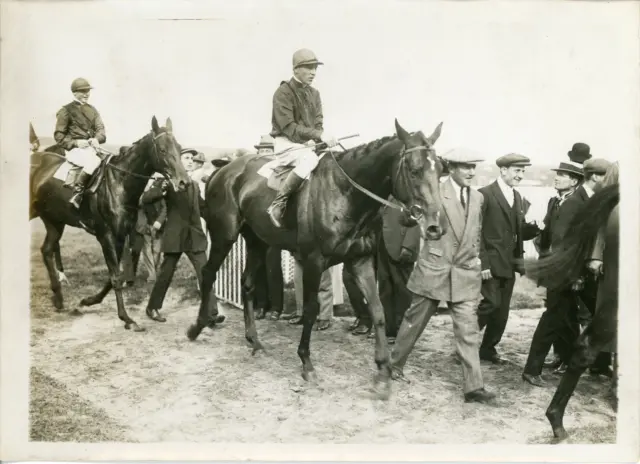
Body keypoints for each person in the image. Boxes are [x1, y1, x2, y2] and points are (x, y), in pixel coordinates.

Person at [390, 148, 496, 404]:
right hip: (435, 269)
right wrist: (415, 217)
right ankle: (393, 365)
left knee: (468, 330)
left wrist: (476, 259)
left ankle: (474, 387)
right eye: (465, 167)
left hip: (465, 272)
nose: (471, 172)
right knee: (414, 322)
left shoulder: (479, 198)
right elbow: (408, 218)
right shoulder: (432, 190)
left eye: (474, 167)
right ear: (451, 167)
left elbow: (476, 231)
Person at [522, 144, 595, 386]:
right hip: (557, 272)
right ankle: (537, 368)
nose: (558, 177)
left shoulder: (574, 204)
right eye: (558, 174)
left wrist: (574, 275)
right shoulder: (560, 201)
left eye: (563, 175)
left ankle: (538, 367)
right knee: (559, 317)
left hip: (564, 273)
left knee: (558, 318)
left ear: (575, 182)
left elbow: (574, 245)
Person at [144, 151, 225, 326]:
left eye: (191, 159)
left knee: (206, 274)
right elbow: (146, 199)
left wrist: (219, 219)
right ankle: (152, 307)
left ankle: (211, 314)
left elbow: (203, 209)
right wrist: (162, 188)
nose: (190, 161)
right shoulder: (166, 182)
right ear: (178, 162)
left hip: (194, 237)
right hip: (175, 237)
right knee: (166, 274)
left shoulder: (194, 185)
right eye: (186, 158)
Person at [476, 154, 541, 364]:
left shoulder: (519, 198)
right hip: (490, 264)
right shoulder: (484, 195)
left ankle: (488, 349)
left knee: (502, 311)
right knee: (491, 304)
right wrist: (482, 263)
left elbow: (516, 231)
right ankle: (464, 342)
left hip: (509, 263)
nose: (520, 175)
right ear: (503, 170)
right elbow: (475, 233)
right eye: (516, 170)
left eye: (523, 171)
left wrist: (536, 228)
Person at [266, 48, 339, 228]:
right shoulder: (283, 92)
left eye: (314, 68)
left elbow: (318, 123)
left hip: (308, 144)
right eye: (308, 67)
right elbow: (289, 127)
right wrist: (318, 135)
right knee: (309, 160)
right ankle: (278, 204)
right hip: (287, 145)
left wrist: (321, 138)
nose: (313, 72)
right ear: (295, 70)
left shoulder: (315, 94)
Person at [367, 197, 421, 341]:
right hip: (382, 248)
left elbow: (416, 222)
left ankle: (401, 331)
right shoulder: (383, 192)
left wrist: (408, 246)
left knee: (403, 291)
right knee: (385, 290)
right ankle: (388, 329)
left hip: (401, 250)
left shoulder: (409, 194)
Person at [53, 77, 107, 208]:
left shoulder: (93, 110)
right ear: (74, 93)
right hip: (74, 150)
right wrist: (76, 143)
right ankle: (78, 192)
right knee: (94, 162)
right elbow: (58, 135)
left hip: (92, 149)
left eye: (88, 91)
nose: (86, 94)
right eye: (82, 91)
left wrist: (96, 139)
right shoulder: (66, 111)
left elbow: (101, 131)